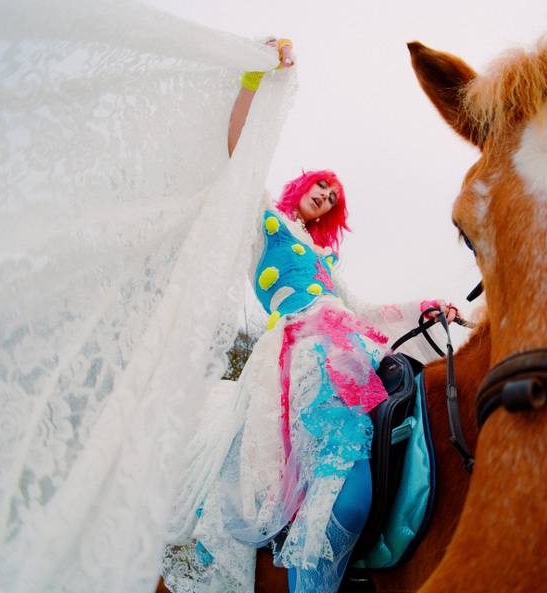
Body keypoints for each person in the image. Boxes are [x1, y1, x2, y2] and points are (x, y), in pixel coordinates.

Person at [162, 39, 458, 593]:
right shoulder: (268, 224)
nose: (325, 195)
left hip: (348, 346)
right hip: (298, 352)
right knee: (342, 488)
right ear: (303, 188)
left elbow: (366, 309)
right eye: (321, 185)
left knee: (382, 450)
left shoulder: (326, 262)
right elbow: (239, 153)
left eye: (334, 195)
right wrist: (253, 81)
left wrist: (426, 307)